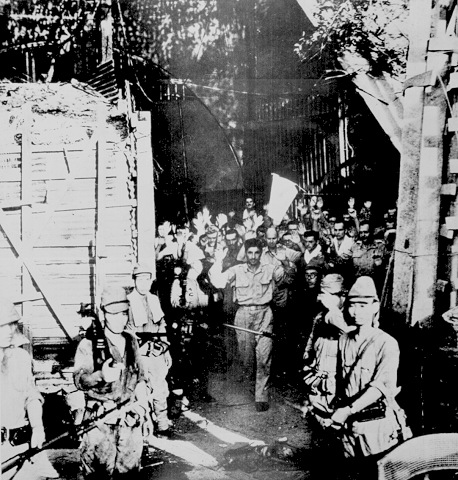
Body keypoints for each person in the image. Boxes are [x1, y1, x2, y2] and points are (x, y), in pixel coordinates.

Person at [330, 276, 411, 477]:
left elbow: (381, 387)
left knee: (377, 474)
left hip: (377, 427)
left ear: (375, 306)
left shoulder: (386, 343)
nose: (356, 311)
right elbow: (339, 380)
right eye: (352, 305)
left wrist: (348, 410)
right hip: (349, 427)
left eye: (363, 305)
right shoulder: (344, 339)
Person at [209, 238, 293, 411]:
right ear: (245, 253)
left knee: (264, 357)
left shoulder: (270, 269)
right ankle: (251, 386)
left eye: (256, 253)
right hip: (243, 315)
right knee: (247, 358)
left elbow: (290, 280)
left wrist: (285, 262)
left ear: (261, 253)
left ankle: (261, 396)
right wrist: (218, 260)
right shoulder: (236, 270)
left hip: (265, 314)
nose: (253, 256)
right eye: (250, 253)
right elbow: (217, 280)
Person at [74, 286, 148, 480]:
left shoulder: (131, 340)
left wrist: (144, 410)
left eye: (124, 313)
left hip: (129, 422)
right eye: (113, 314)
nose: (120, 319)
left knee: (130, 474)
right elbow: (80, 381)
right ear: (103, 313)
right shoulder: (88, 344)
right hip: (100, 424)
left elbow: (140, 378)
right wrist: (101, 376)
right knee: (97, 475)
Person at [1, 296, 58, 480]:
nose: (10, 330)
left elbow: (31, 397)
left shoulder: (21, 358)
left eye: (12, 324)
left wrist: (37, 427)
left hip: (20, 445)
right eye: (3, 325)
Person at [126, 263, 172, 438]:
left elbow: (161, 325)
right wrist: (136, 350)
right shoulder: (128, 301)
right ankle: (143, 428)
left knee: (160, 388)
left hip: (156, 352)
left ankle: (162, 425)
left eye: (147, 279)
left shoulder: (153, 299)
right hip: (139, 353)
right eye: (140, 279)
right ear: (134, 281)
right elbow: (127, 330)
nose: (144, 283)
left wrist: (165, 350)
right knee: (140, 390)